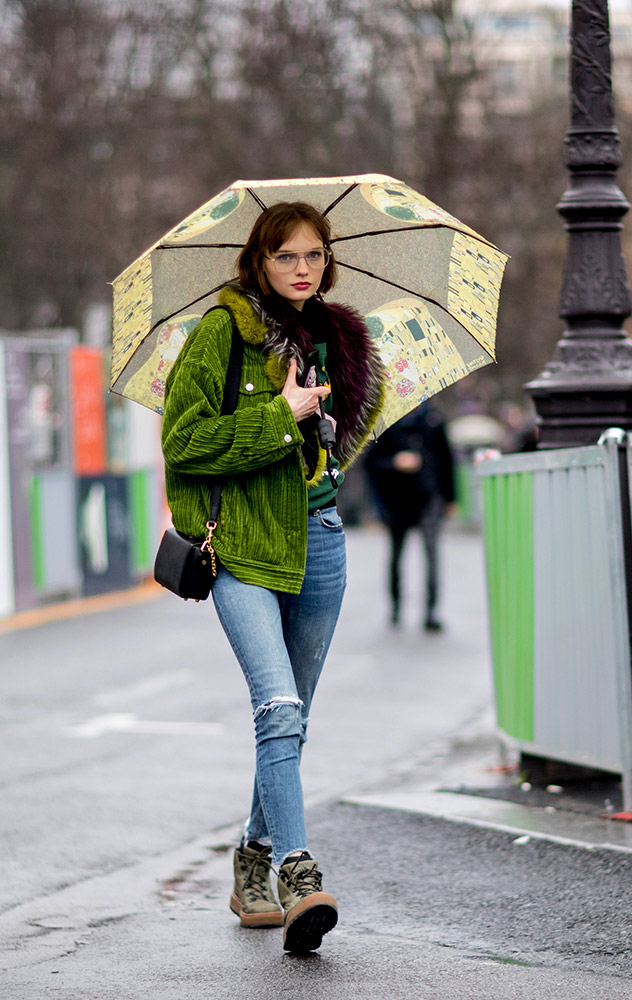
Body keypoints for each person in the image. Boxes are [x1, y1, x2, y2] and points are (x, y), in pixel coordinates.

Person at [160, 202, 384, 954]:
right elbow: (185, 442)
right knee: (277, 704)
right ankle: (296, 871)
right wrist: (281, 415)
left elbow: (339, 443)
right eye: (285, 255)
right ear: (257, 260)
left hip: (318, 540)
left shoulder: (336, 340)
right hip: (244, 549)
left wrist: (324, 433)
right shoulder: (220, 333)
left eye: (314, 255)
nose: (301, 268)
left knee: (291, 720)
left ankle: (250, 858)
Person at [365, 402, 456, 631]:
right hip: (397, 501)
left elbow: (447, 461)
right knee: (396, 554)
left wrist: (450, 498)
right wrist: (395, 462)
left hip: (429, 497)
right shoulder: (386, 421)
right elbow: (371, 463)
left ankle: (431, 611)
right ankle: (395, 606)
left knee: (432, 554)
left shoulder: (433, 420)